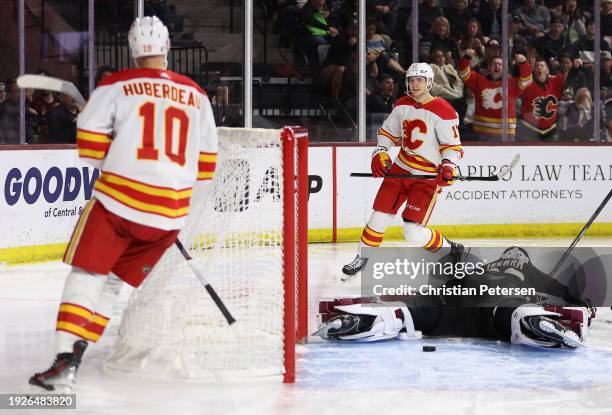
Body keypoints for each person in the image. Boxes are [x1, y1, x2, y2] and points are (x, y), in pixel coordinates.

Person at [29, 16, 218, 392]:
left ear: (133, 50)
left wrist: (123, 155)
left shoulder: (116, 85)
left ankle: (65, 363)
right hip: (168, 216)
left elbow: (90, 146)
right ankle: (79, 354)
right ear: (167, 49)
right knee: (113, 286)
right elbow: (206, 166)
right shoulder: (196, 94)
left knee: (87, 275)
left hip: (119, 204)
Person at [320, 247, 594, 348]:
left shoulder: (486, 265)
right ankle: (534, 324)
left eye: (518, 254)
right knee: (512, 310)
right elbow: (555, 286)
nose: (515, 255)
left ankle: (377, 318)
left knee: (418, 308)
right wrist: (578, 304)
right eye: (514, 253)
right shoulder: (524, 269)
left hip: (453, 308)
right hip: (487, 308)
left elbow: (450, 281)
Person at [341, 63, 464, 280]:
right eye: (411, 79)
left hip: (426, 178)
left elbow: (452, 147)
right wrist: (380, 152)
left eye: (419, 79)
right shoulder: (401, 105)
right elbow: (388, 133)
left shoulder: (444, 111)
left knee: (413, 233)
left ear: (429, 82)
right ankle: (362, 257)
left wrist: (449, 165)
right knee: (378, 218)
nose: (414, 84)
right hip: (400, 170)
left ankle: (449, 249)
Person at [458, 49, 531, 140]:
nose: (497, 66)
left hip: (506, 134)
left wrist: (523, 63)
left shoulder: (512, 83)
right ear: (489, 67)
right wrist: (467, 57)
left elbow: (526, 80)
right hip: (482, 132)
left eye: (500, 64)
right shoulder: (478, 81)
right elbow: (463, 73)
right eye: (494, 64)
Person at [517, 59, 566, 141]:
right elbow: (523, 78)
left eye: (542, 66)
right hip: (529, 129)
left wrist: (576, 67)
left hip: (551, 130)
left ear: (547, 71)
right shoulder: (528, 84)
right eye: (537, 66)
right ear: (533, 70)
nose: (539, 67)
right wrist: (523, 63)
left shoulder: (555, 82)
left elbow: (568, 75)